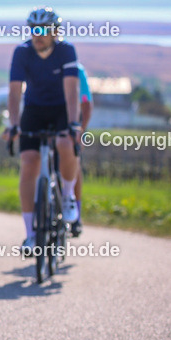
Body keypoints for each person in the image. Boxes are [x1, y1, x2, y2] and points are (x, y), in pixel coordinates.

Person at [4, 7, 82, 256]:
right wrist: (14, 124)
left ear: (55, 32)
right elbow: (14, 92)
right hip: (35, 110)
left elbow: (72, 90)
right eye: (34, 29)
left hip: (61, 109)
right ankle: (30, 235)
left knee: (65, 144)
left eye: (44, 30)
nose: (38, 34)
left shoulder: (66, 50)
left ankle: (68, 196)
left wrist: (74, 123)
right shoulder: (22, 52)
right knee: (29, 162)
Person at [72, 62, 93, 237]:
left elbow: (86, 102)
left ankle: (76, 216)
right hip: (48, 114)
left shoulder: (77, 70)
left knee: (75, 161)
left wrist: (82, 130)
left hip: (73, 119)